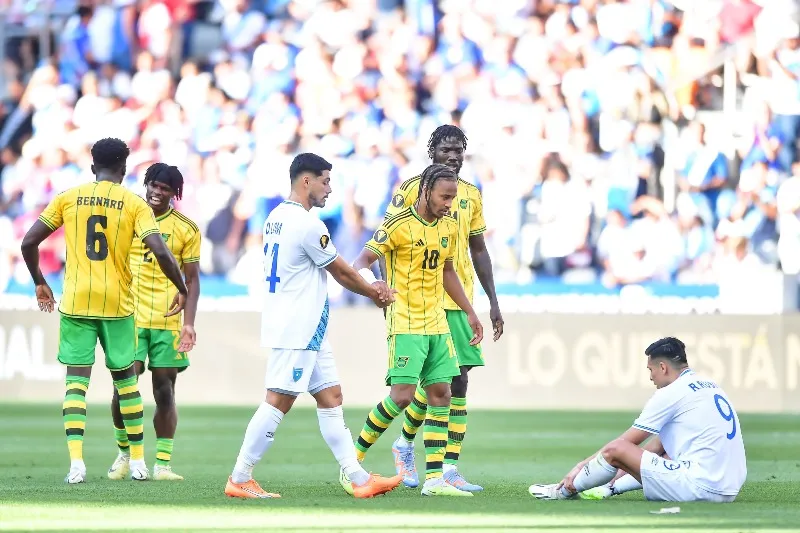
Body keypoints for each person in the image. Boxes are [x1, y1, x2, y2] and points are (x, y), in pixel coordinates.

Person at [224, 153, 404, 499]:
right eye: (325, 181)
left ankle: (358, 478)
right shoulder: (308, 225)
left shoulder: (276, 217)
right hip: (298, 327)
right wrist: (374, 291)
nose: (330, 189)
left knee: (331, 397)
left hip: (305, 327)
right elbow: (341, 272)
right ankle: (240, 476)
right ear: (306, 181)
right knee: (278, 400)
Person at [20, 138, 188, 484]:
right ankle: (138, 462)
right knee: (126, 383)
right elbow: (160, 251)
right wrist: (182, 289)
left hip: (76, 302)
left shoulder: (68, 197)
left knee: (76, 384)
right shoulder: (134, 204)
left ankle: (76, 465)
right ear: (124, 170)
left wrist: (40, 281)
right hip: (117, 304)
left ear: (93, 166)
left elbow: (28, 242)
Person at [345, 163, 484, 497]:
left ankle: (434, 479)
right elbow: (359, 263)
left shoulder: (448, 226)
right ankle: (351, 462)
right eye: (444, 197)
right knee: (403, 396)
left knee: (442, 393)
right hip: (405, 321)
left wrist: (469, 312)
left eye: (452, 197)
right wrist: (374, 284)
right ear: (425, 191)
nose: (449, 204)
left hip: (437, 322)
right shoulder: (397, 225)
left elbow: (448, 272)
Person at [382, 125, 504, 492]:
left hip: (459, 298)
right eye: (446, 149)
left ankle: (448, 468)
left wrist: (492, 301)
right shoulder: (409, 190)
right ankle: (406, 444)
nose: (453, 156)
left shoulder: (471, 194)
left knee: (459, 382)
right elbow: (385, 243)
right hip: (420, 301)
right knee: (436, 384)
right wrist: (386, 292)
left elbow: (478, 248)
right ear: (431, 151)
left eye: (458, 151)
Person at [528, 337, 747, 503]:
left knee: (615, 449)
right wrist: (618, 473)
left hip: (700, 487)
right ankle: (609, 487)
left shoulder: (670, 393)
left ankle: (564, 490)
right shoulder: (709, 385)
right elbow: (657, 447)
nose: (651, 377)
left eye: (651, 370)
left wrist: (579, 467)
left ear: (663, 367)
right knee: (664, 450)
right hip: (728, 488)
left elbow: (625, 444)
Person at [107, 163, 201, 482]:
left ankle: (162, 464)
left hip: (167, 320)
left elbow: (192, 280)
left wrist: (189, 323)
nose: (157, 192)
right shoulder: (126, 216)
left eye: (165, 189)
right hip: (129, 317)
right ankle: (125, 454)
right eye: (154, 185)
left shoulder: (186, 228)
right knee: (124, 386)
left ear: (175, 194)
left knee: (165, 391)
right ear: (145, 184)